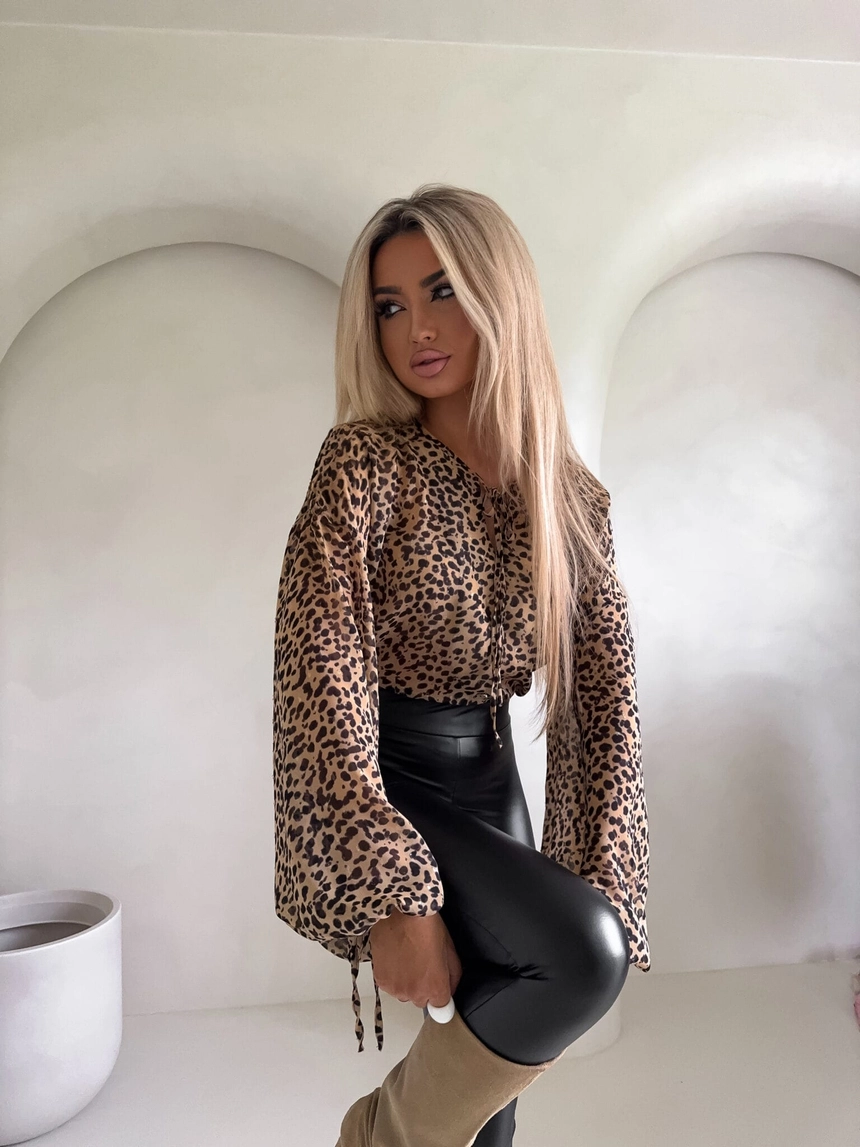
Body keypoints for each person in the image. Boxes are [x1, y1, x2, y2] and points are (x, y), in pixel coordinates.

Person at [272, 184, 650, 1147]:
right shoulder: (364, 467)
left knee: (489, 1105)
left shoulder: (569, 500)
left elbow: (604, 708)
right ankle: (380, 1131)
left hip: (491, 778)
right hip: (385, 778)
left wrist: (600, 869)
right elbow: (318, 681)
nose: (417, 329)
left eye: (441, 291)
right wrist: (391, 884)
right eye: (390, 305)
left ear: (499, 294)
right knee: (579, 953)